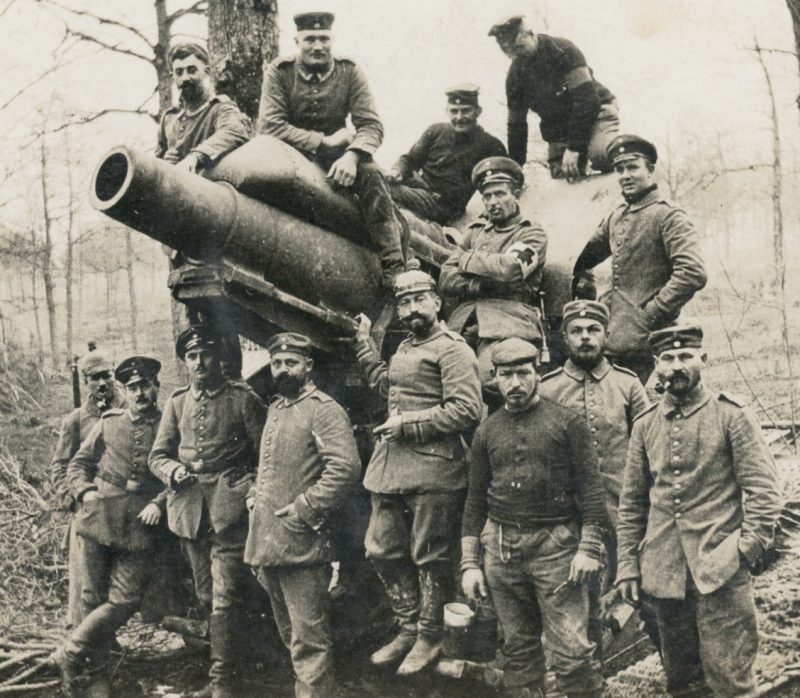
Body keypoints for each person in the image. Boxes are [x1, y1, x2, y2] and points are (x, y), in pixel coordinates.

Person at [616, 325, 783, 697]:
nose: (677, 366)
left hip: (721, 570)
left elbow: (764, 490)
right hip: (665, 575)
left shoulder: (731, 415)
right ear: (656, 366)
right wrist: (628, 565)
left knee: (731, 681)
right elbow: (632, 504)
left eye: (686, 356)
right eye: (668, 359)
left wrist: (746, 549)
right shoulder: (644, 426)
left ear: (702, 360)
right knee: (683, 684)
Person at [461, 338, 607, 698]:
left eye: (523, 373)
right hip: (501, 550)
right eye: (505, 375)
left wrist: (588, 548)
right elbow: (475, 500)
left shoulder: (568, 424)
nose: (514, 384)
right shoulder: (487, 430)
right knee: (517, 652)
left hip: (556, 549)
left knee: (571, 652)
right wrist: (469, 564)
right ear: (494, 378)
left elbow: (591, 491)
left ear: (537, 374)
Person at [354, 266, 482, 675]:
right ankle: (408, 627)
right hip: (392, 468)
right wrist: (364, 346)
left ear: (436, 303)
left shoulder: (453, 348)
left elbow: (466, 409)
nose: (411, 308)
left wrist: (409, 424)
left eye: (418, 300)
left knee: (430, 555)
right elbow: (389, 387)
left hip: (435, 469)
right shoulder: (405, 347)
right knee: (380, 547)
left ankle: (430, 634)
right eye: (404, 302)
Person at [149, 326, 266, 698]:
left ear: (220, 358)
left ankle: (223, 684)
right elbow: (157, 456)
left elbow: (267, 457)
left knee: (226, 595)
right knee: (205, 596)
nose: (200, 363)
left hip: (229, 512)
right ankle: (234, 669)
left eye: (207, 355)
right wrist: (172, 471)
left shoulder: (242, 398)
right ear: (185, 361)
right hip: (189, 513)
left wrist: (248, 488)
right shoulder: (177, 402)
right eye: (193, 356)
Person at [244, 333, 360, 698]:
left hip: (303, 544)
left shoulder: (324, 409)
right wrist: (254, 495)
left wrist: (306, 508)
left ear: (308, 366)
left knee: (309, 641)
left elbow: (344, 468)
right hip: (268, 541)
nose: (282, 370)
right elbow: (270, 467)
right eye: (277, 363)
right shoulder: (276, 407)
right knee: (291, 636)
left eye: (291, 363)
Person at [257, 11, 407, 288]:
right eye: (310, 39)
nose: (317, 46)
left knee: (372, 176)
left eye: (324, 38)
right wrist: (321, 141)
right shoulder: (280, 72)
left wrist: (352, 156)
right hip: (289, 153)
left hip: (338, 156)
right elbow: (269, 127)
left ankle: (394, 265)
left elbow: (371, 125)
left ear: (331, 40)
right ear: (297, 41)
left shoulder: (349, 71)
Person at [539, 300, 651, 657]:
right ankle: (586, 664)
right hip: (567, 512)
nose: (585, 338)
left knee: (635, 583)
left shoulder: (628, 385)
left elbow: (649, 444)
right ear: (565, 337)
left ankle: (632, 645)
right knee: (574, 593)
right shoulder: (548, 389)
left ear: (605, 335)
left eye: (593, 330)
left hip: (622, 505)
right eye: (577, 331)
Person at [49, 356, 165, 698]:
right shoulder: (108, 422)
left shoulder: (170, 424)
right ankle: (98, 680)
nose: (140, 393)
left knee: (125, 600)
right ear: (125, 392)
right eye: (133, 387)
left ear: (157, 387)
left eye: (145, 386)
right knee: (90, 599)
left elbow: (177, 471)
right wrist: (84, 493)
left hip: (140, 526)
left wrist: (158, 503)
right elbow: (76, 465)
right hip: (98, 519)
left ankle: (68, 652)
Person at [572, 135, 707, 384]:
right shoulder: (616, 216)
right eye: (620, 169)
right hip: (614, 337)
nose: (625, 175)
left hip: (652, 340)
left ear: (650, 170)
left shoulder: (669, 215)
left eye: (633, 167)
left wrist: (652, 314)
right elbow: (582, 255)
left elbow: (692, 272)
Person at [439, 156, 546, 401]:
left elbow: (510, 271)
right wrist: (483, 281)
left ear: (516, 194)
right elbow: (445, 278)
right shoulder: (475, 231)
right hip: (463, 323)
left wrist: (465, 259)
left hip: (508, 322)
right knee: (442, 382)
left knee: (490, 382)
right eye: (487, 197)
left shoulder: (531, 233)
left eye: (500, 194)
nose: (493, 202)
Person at [489, 15, 619, 179]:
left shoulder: (562, 50)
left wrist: (575, 147)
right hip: (560, 129)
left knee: (603, 157)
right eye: (509, 52)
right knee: (565, 178)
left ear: (530, 34)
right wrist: (515, 167)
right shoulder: (514, 78)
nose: (515, 56)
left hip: (596, 114)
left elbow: (588, 101)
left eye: (519, 48)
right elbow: (517, 126)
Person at [51, 349, 126, 628]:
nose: (102, 384)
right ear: (85, 382)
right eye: (95, 379)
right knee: (88, 587)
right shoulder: (75, 420)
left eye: (107, 376)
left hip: (122, 509)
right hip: (89, 512)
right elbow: (60, 467)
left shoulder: (129, 412)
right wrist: (74, 501)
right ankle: (90, 642)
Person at [386, 83, 506, 224]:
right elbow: (410, 159)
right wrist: (397, 170)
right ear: (447, 111)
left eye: (466, 111)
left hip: (442, 205)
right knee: (380, 178)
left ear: (478, 111)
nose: (459, 117)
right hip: (415, 190)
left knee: (380, 185)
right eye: (454, 111)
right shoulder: (436, 131)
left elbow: (503, 181)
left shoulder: (491, 146)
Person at [155, 42, 251, 173]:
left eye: (192, 70)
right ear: (173, 77)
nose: (185, 78)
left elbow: (234, 132)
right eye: (179, 72)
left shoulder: (220, 108)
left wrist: (195, 157)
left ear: (207, 72)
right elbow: (155, 169)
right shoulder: (170, 118)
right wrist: (164, 165)